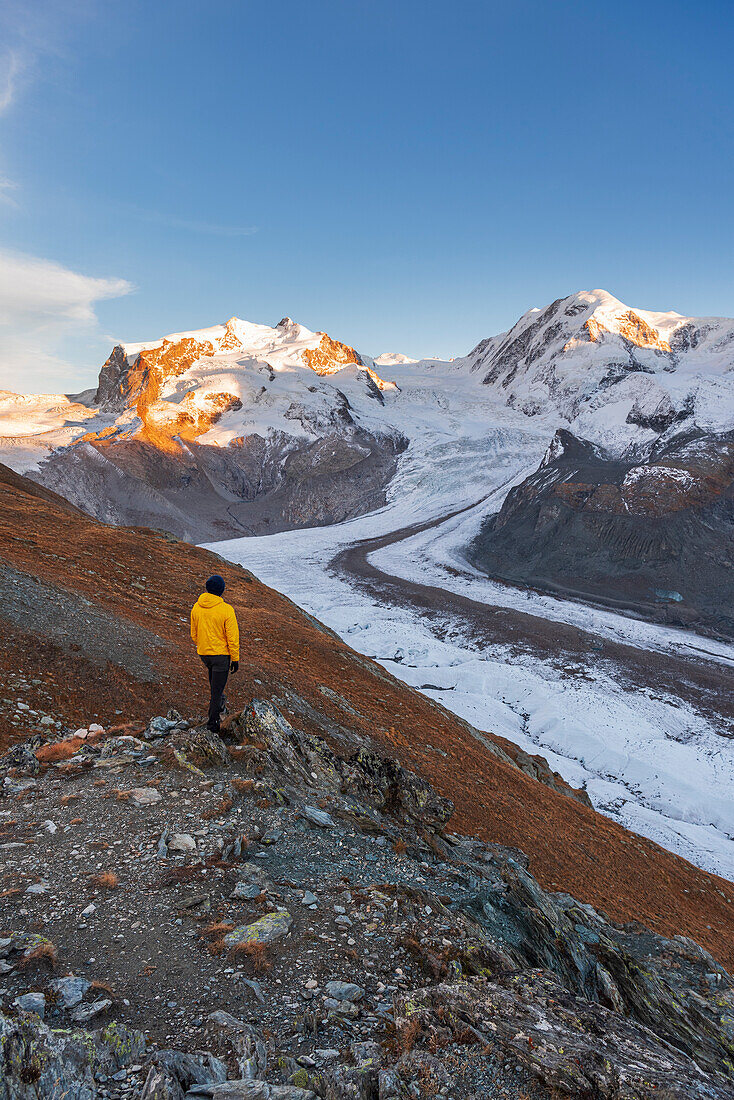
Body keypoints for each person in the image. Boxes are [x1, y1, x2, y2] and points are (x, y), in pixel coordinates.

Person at [190, 574, 240, 732]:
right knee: (216, 692)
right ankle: (213, 726)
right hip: (220, 656)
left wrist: (203, 645)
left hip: (204, 654)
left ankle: (221, 709)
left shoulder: (196, 606)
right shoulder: (226, 609)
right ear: (221, 590)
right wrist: (235, 659)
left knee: (215, 685)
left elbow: (194, 634)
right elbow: (232, 637)